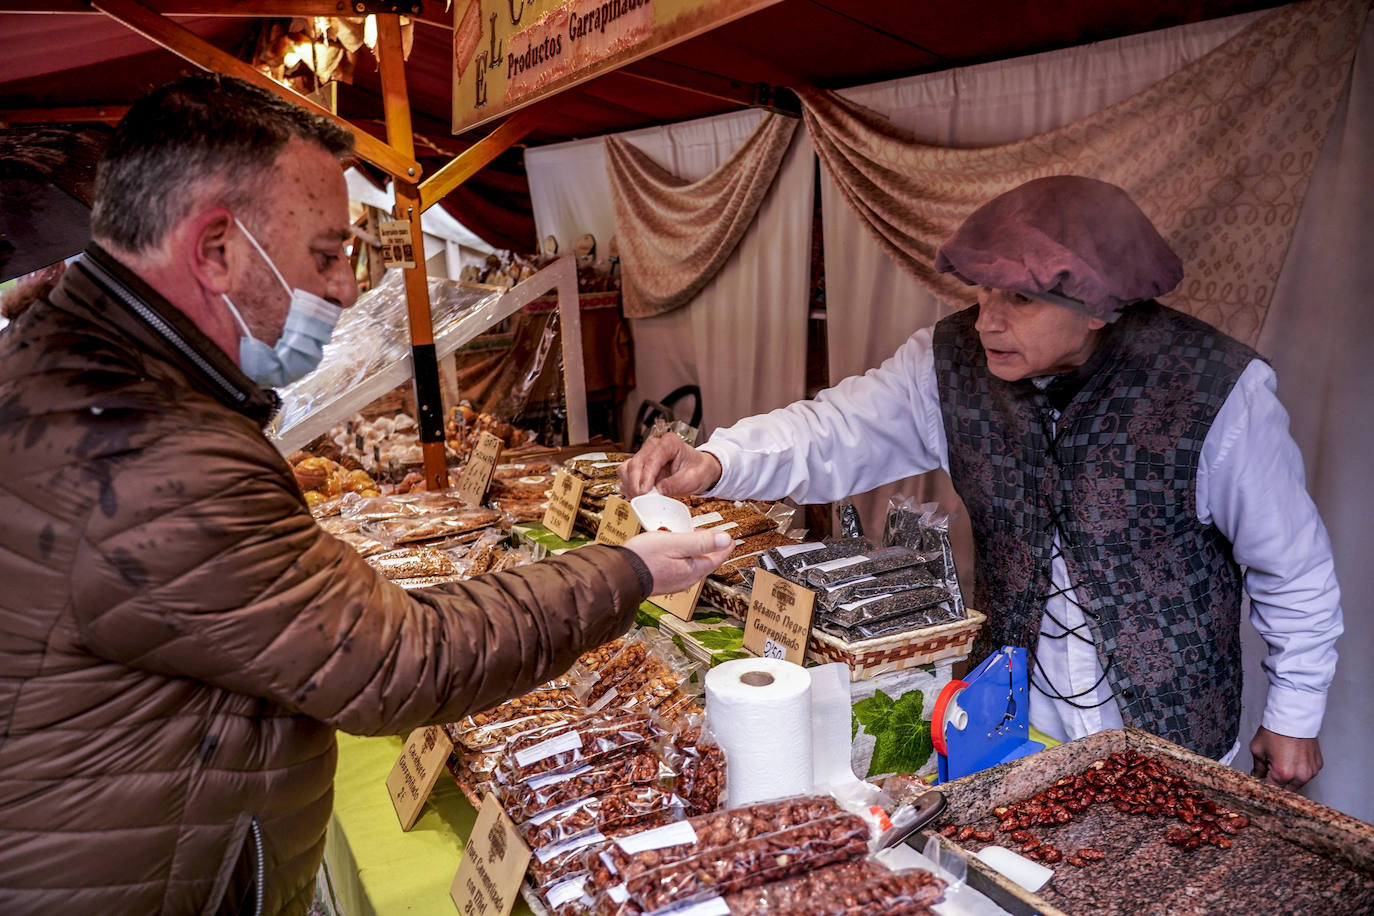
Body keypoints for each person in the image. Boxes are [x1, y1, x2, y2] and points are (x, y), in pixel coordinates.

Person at [0, 74, 731, 914]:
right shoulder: (150, 446)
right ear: (213, 250)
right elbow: (395, 660)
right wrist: (626, 571)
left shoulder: (60, 358)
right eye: (324, 252)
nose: (347, 287)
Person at [621, 175, 1342, 793]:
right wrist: (718, 460)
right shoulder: (948, 364)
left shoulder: (1218, 391)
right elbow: (835, 429)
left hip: (1178, 730)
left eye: (1021, 301)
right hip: (1011, 719)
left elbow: (1293, 567)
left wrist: (1294, 712)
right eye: (984, 291)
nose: (988, 320)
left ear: (1098, 306)